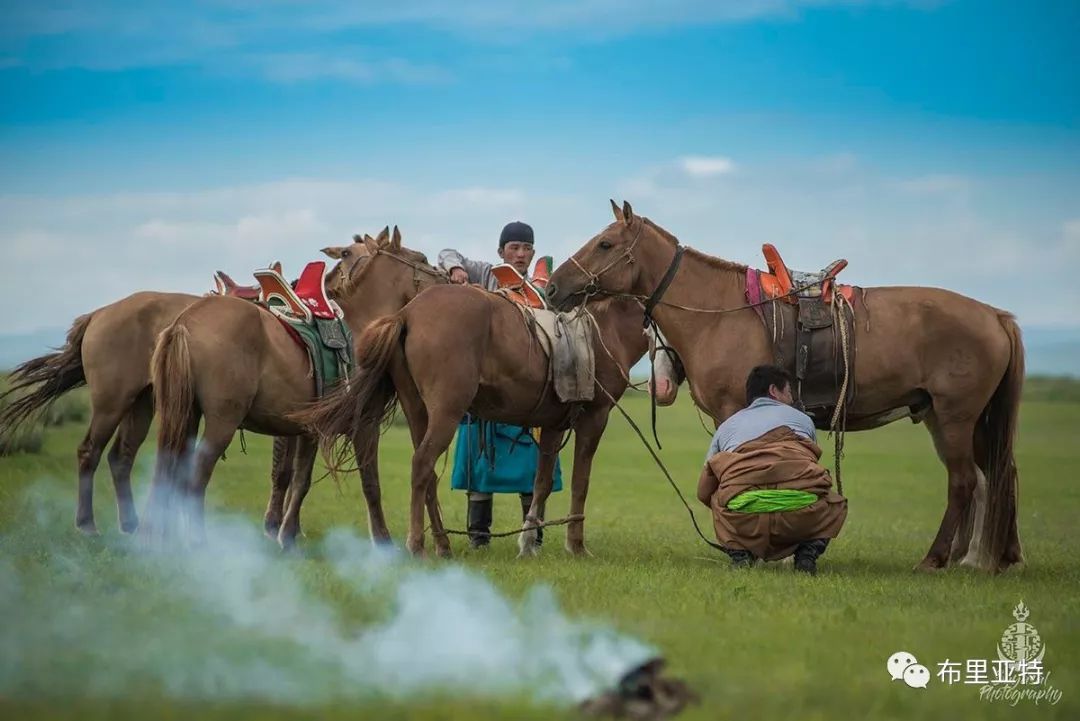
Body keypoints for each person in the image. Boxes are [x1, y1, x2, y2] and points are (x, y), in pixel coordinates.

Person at [439, 221, 563, 549]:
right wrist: (455, 269)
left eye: (526, 248)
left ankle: (533, 538)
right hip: (488, 389)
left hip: (532, 392)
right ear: (501, 251)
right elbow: (447, 252)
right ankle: (479, 540)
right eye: (514, 248)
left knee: (532, 470)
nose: (521, 254)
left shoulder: (545, 283)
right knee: (481, 468)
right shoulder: (486, 273)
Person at [696, 365, 847, 574]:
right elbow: (809, 469)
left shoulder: (727, 426)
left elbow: (703, 491)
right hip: (801, 517)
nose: (791, 400)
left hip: (743, 518)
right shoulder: (803, 420)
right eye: (789, 393)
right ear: (774, 391)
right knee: (831, 500)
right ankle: (806, 555)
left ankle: (741, 554)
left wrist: (730, 512)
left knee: (718, 495)